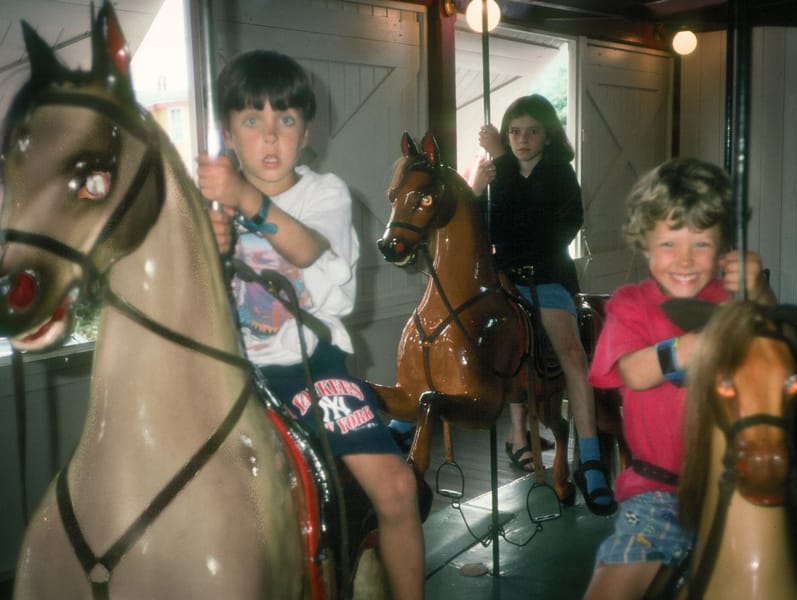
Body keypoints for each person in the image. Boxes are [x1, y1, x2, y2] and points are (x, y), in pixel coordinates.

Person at [197, 49, 424, 600]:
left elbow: (305, 247)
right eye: (253, 120)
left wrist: (245, 201)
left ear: (306, 131)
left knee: (395, 488)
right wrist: (208, 244)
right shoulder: (205, 206)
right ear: (228, 132)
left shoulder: (324, 194)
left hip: (309, 371)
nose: (270, 137)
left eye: (286, 121)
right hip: (226, 374)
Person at [582, 158, 776, 599]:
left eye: (702, 244)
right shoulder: (631, 304)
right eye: (669, 243)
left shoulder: (730, 298)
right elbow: (631, 369)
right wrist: (687, 348)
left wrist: (759, 294)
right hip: (660, 493)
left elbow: (768, 344)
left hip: (735, 484)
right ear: (645, 246)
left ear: (723, 246)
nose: (685, 260)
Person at [471, 94, 616, 516]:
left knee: (571, 352)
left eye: (532, 130)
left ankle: (589, 456)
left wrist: (502, 172)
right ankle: (516, 434)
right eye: (514, 131)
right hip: (505, 278)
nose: (522, 139)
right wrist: (477, 192)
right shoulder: (498, 173)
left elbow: (548, 229)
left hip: (548, 276)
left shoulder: (559, 175)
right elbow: (484, 228)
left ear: (548, 135)